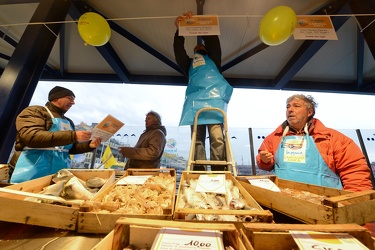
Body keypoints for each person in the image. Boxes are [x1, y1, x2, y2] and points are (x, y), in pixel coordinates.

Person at [257, 94, 374, 192]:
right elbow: (265, 164)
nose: (290, 110)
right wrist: (264, 160)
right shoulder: (274, 137)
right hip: (283, 202)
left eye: (296, 106)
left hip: (325, 205)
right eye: (288, 107)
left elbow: (355, 173)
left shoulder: (334, 139)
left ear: (309, 112)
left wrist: (353, 204)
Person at [174, 11, 233, 171]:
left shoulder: (214, 59)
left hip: (214, 105)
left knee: (217, 138)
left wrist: (198, 24)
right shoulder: (188, 64)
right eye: (196, 48)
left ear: (206, 49)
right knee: (197, 139)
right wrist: (180, 30)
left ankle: (218, 171)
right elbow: (179, 51)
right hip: (195, 107)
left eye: (201, 46)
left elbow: (213, 41)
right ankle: (199, 171)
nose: (198, 47)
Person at [9, 86, 102, 183]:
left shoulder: (69, 121)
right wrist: (73, 136)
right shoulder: (35, 111)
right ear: (56, 97)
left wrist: (89, 145)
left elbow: (68, 148)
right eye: (70, 98)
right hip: (29, 169)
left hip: (59, 173)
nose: (73, 103)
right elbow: (32, 137)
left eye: (73, 100)